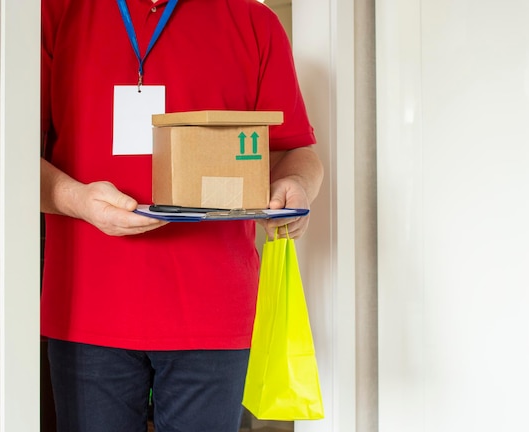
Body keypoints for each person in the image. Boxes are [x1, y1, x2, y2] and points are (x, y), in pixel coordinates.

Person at [40, 0, 323, 431]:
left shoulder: (253, 21)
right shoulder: (56, 13)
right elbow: (5, 156)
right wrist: (76, 199)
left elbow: (296, 151)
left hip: (215, 312)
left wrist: (296, 186)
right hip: (88, 308)